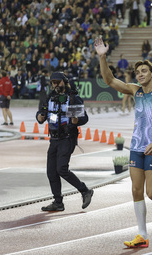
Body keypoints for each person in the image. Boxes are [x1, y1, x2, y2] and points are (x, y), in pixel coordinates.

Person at [94, 37, 152, 248]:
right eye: (137, 72)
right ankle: (142, 235)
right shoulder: (135, 91)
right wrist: (102, 57)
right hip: (136, 147)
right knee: (135, 191)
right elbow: (110, 81)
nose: (140, 75)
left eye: (144, 72)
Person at [36, 72, 94, 212]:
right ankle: (58, 202)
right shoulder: (50, 97)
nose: (54, 85)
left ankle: (85, 191)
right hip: (54, 139)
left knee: (61, 169)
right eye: (52, 82)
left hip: (68, 138)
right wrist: (39, 117)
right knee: (51, 172)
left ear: (64, 82)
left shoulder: (73, 98)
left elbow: (84, 118)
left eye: (57, 82)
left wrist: (76, 121)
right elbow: (40, 113)